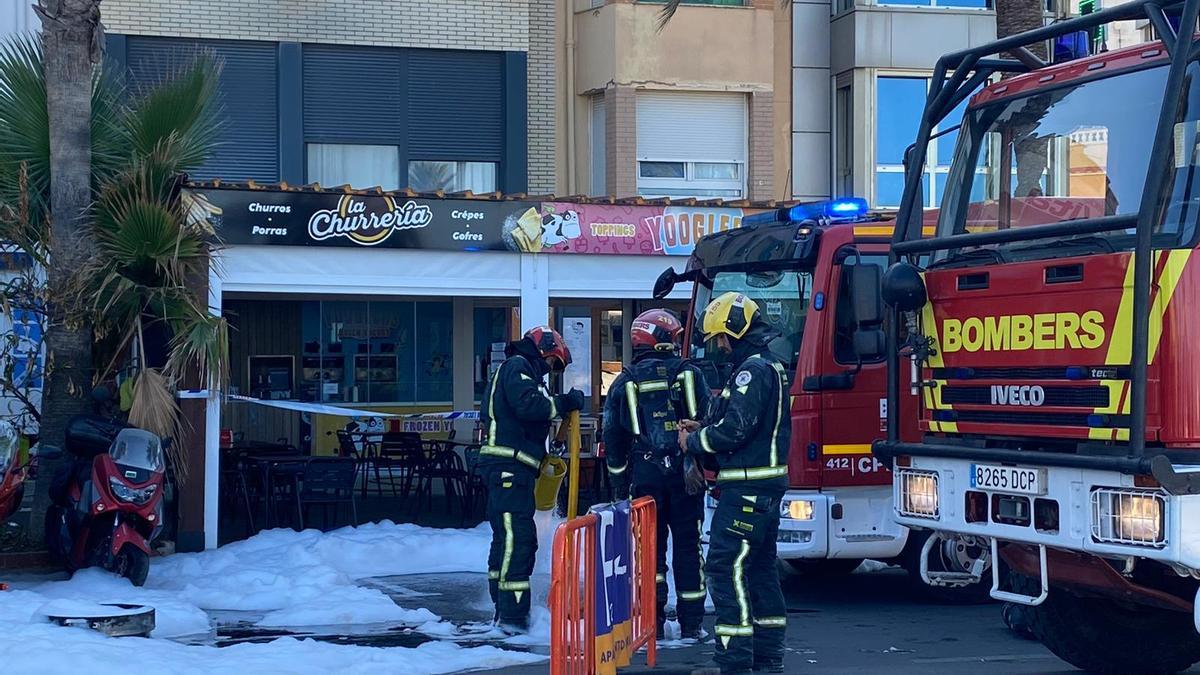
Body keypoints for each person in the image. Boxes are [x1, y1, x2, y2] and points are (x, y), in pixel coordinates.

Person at [678, 292, 790, 675]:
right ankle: (767, 657)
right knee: (760, 571)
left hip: (746, 490)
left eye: (720, 339)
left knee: (725, 570)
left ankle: (734, 660)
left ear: (734, 332)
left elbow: (736, 429)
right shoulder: (768, 367)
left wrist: (693, 441)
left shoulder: (752, 371)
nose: (719, 348)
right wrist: (705, 426)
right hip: (763, 488)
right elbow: (739, 423)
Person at [602, 309, 712, 641]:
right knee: (689, 548)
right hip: (685, 477)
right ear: (663, 338)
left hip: (645, 479)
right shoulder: (690, 374)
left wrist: (620, 484)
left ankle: (653, 624)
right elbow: (707, 419)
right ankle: (692, 624)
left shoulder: (625, 381)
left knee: (650, 553)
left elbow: (613, 437)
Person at [478, 326, 585, 633]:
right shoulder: (517, 367)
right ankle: (512, 618)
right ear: (544, 350)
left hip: (510, 470)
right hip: (509, 469)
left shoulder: (517, 370)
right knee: (518, 539)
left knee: (506, 539)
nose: (550, 371)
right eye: (553, 364)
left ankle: (504, 611)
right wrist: (566, 402)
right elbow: (531, 406)